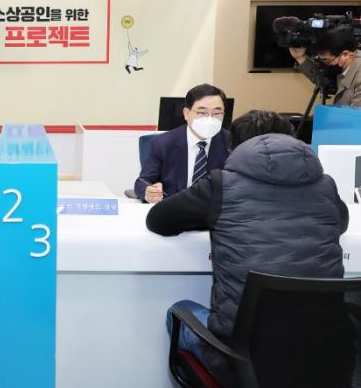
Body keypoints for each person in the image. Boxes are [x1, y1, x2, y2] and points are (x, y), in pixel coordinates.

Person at [146, 110, 349, 386]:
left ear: (234, 148)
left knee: (180, 310)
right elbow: (340, 222)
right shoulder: (325, 185)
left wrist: (214, 218)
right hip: (328, 359)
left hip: (245, 362)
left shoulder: (221, 184)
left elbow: (158, 220)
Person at [134, 84, 230, 203]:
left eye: (217, 113)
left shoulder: (232, 143)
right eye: (202, 112)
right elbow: (142, 181)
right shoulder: (163, 143)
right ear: (186, 113)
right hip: (174, 208)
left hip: (215, 209)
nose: (210, 119)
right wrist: (148, 192)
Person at [290, 25, 361, 106]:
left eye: (327, 60)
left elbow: (355, 113)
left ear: (345, 54)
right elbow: (324, 81)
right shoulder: (348, 63)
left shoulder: (359, 77)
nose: (326, 65)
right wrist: (300, 57)